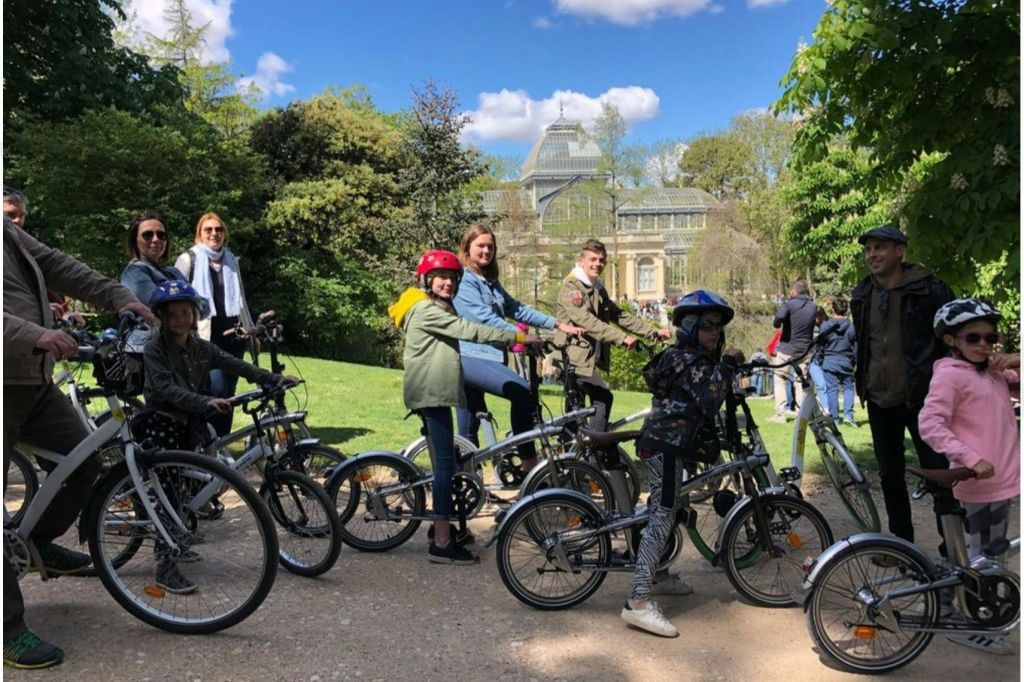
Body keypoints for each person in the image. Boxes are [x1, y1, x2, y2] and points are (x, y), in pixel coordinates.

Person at [3, 216, 154, 669]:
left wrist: (119, 296)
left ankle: (38, 543)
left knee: (84, 459)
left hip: (33, 381)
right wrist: (37, 334)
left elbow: (55, 263)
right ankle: (8, 630)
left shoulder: (7, 231)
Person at [138, 279, 298, 591]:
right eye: (174, 314)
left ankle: (178, 539)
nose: (181, 319)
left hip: (189, 425)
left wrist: (273, 378)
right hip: (161, 423)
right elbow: (163, 388)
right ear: (163, 317)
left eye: (186, 312)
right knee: (170, 493)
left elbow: (235, 364)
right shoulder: (154, 348)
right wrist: (205, 402)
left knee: (185, 489)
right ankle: (164, 564)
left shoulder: (200, 347)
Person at [388, 250, 540, 564]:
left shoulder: (433, 306)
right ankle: (442, 544)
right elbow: (469, 331)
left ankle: (439, 529)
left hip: (435, 392)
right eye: (440, 277)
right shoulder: (427, 310)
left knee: (449, 462)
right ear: (426, 281)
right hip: (432, 394)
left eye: (452, 278)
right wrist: (515, 336)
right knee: (444, 467)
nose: (447, 283)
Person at [622, 290, 745, 637]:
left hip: (670, 444)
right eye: (707, 326)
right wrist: (727, 365)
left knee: (671, 508)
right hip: (665, 445)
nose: (715, 334)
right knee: (662, 515)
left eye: (718, 328)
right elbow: (708, 400)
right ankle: (638, 601)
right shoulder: (687, 361)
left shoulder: (683, 357)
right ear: (689, 326)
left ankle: (657, 574)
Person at [918, 299, 1019, 655]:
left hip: (1003, 482)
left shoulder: (993, 373)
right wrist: (971, 457)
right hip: (979, 484)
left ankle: (941, 602)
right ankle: (967, 619)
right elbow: (929, 423)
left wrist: (1016, 360)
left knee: (987, 554)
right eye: (973, 337)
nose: (983, 344)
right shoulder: (949, 375)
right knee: (983, 557)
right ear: (951, 340)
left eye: (990, 337)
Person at [850, 225, 954, 546]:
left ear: (900, 251)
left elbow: (953, 338)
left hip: (923, 398)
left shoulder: (930, 289)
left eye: (880, 247)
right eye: (868, 249)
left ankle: (953, 545)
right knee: (889, 476)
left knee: (939, 471)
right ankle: (901, 544)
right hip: (879, 399)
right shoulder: (862, 294)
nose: (872, 255)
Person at [452, 224, 585, 473]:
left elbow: (516, 308)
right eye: (480, 245)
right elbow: (484, 319)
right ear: (467, 248)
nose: (486, 251)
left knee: (469, 425)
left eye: (490, 246)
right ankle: (529, 465)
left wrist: (557, 324)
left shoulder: (489, 281)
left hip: (487, 357)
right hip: (469, 358)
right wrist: (522, 337)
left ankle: (465, 484)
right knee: (521, 393)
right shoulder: (464, 280)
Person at [555, 239, 672, 431]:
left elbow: (618, 315)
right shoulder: (572, 288)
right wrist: (622, 338)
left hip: (586, 357)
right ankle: (595, 448)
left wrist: (653, 332)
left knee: (575, 411)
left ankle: (578, 453)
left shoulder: (597, 288)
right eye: (593, 259)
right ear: (581, 261)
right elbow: (588, 321)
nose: (597, 264)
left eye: (601, 260)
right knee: (602, 398)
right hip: (572, 357)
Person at [175, 212, 255, 437]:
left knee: (230, 394)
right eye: (208, 229)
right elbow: (176, 298)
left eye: (218, 229)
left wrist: (251, 333)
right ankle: (207, 441)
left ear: (224, 234)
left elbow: (241, 300)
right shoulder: (188, 259)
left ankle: (221, 444)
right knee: (216, 390)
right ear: (199, 234)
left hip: (235, 338)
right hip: (206, 338)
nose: (214, 234)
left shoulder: (231, 260)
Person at [3, 186, 84, 326]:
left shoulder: (23, 247)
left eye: (21, 215)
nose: (17, 220)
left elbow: (52, 266)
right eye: (10, 215)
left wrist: (64, 311)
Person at [120, 211, 190, 312]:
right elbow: (159, 308)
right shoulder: (134, 273)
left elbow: (204, 306)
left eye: (161, 235)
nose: (156, 240)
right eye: (148, 235)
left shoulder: (174, 272)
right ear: (135, 241)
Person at [770, 281, 818, 423]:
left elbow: (777, 319)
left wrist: (778, 323)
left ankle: (780, 413)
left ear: (794, 291)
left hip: (787, 348)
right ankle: (801, 414)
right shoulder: (813, 306)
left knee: (780, 378)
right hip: (804, 350)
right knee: (800, 381)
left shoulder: (789, 304)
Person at [818, 296, 858, 427]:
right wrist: (855, 361)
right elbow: (855, 346)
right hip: (846, 360)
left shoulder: (825, 326)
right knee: (848, 388)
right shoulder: (852, 327)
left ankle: (834, 418)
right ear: (846, 310)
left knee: (832, 389)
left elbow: (820, 345)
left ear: (833, 309)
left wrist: (820, 359)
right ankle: (848, 415)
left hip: (829, 360)